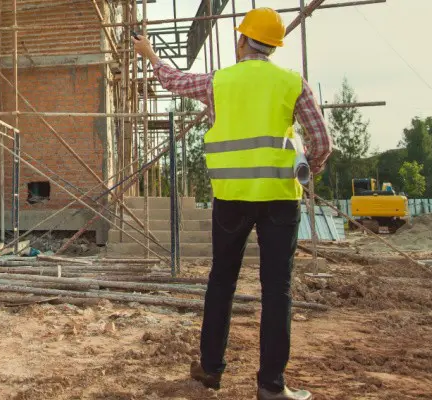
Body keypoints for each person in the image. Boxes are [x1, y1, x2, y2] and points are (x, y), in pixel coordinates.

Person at [132, 7, 332, 400]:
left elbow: (175, 81)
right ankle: (271, 386)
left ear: (242, 41)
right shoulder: (292, 82)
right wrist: (312, 167)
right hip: (279, 200)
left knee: (221, 281)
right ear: (273, 46)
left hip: (230, 199)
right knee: (277, 289)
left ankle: (210, 369)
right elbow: (321, 141)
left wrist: (150, 54)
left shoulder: (220, 81)